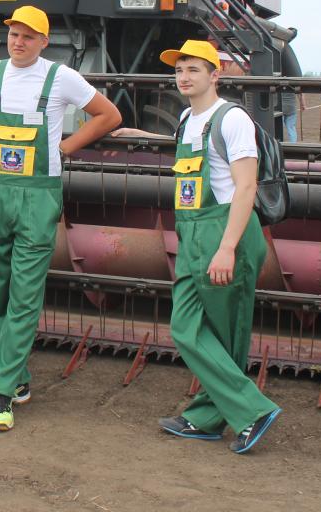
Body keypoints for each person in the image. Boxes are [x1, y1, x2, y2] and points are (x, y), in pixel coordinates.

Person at [0, 6, 121, 432]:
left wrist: (65, 147)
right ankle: (19, 378)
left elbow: (110, 116)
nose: (18, 42)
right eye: (13, 34)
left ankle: (3, 393)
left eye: (28, 36)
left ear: (45, 41)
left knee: (24, 294)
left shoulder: (60, 77)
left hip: (37, 197)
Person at [116, 39, 281, 455]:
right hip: (192, 234)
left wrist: (227, 249)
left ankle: (241, 412)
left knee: (227, 336)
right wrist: (140, 134)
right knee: (187, 328)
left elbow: (246, 186)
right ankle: (220, 413)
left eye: (193, 69)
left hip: (226, 232)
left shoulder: (233, 119)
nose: (184, 77)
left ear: (215, 74)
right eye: (179, 70)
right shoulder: (189, 118)